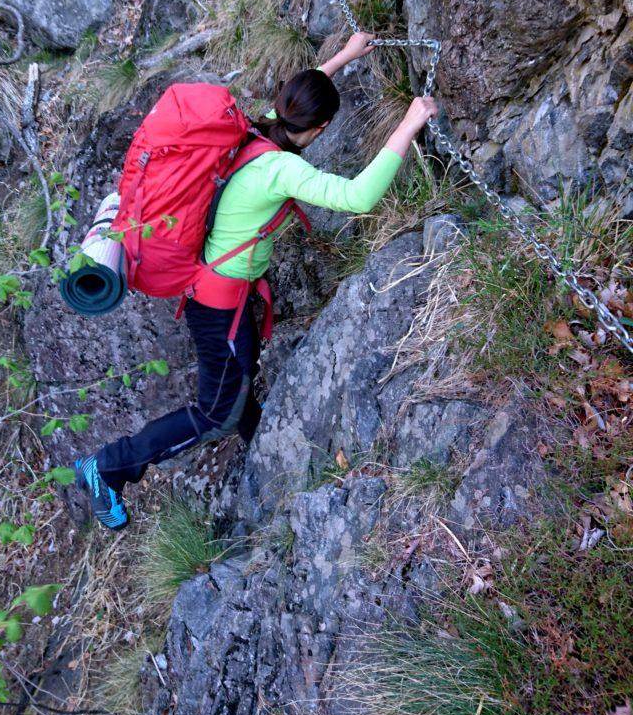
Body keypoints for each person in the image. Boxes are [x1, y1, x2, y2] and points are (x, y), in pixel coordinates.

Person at [74, 32, 438, 528]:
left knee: (238, 380)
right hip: (220, 305)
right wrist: (412, 120)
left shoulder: (252, 130)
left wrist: (344, 58)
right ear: (323, 128)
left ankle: (266, 455)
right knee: (214, 414)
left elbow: (302, 97)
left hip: (223, 296)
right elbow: (357, 197)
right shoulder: (279, 170)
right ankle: (109, 466)